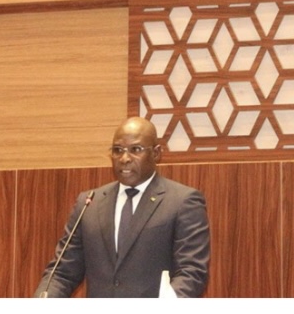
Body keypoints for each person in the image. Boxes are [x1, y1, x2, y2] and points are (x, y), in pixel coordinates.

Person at [33, 116, 210, 298]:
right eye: (118, 150)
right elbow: (61, 272)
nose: (125, 158)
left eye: (136, 150)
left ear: (156, 153)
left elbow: (191, 273)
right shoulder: (89, 203)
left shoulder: (182, 202)